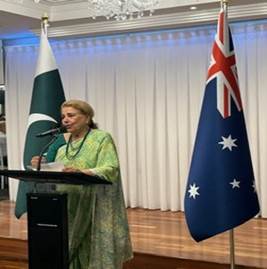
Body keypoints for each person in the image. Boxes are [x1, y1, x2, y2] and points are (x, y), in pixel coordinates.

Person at [31, 99, 133, 269]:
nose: (65, 120)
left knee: (91, 248)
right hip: (69, 207)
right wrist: (41, 165)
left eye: (71, 115)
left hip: (95, 207)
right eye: (63, 116)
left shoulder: (101, 138)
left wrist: (82, 172)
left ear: (87, 118)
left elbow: (110, 167)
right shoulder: (63, 148)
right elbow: (58, 172)